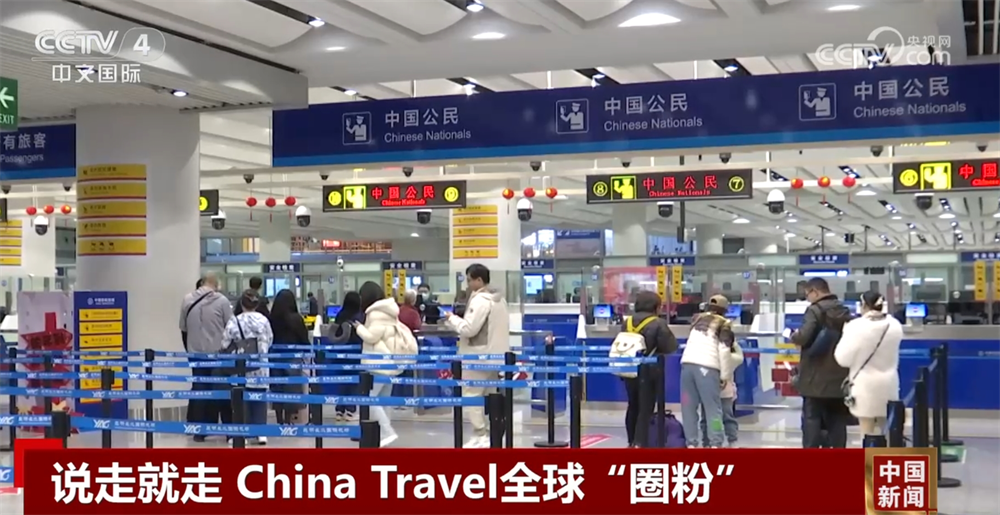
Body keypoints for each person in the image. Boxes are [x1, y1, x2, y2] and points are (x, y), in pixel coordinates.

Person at [444, 264, 510, 448]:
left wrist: (452, 319)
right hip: (496, 357)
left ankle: (480, 434)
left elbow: (469, 329)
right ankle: (492, 435)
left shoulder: (481, 300)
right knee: (490, 396)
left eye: (469, 280)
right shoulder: (500, 300)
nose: (468, 284)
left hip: (477, 356)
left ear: (479, 280)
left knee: (471, 396)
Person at [790, 277, 852, 448]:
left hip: (814, 378)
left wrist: (794, 336)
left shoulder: (814, 310)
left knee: (812, 420)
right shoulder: (843, 310)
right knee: (837, 422)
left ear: (815, 292)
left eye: (807, 294)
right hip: (839, 376)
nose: (808, 298)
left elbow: (803, 337)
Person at [354, 282, 418, 447]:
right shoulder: (390, 311)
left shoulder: (375, 313)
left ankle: (387, 431)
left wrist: (359, 328)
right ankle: (383, 435)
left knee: (370, 399)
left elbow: (371, 337)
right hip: (389, 363)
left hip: (377, 363)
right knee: (383, 401)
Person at [835, 291, 902, 440]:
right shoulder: (895, 325)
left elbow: (842, 359)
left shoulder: (855, 327)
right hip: (889, 383)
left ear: (863, 305)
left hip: (865, 386)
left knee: (866, 431)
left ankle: (869, 455)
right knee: (889, 429)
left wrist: (845, 333)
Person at [178, 272, 233, 441]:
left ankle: (199, 431)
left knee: (199, 389)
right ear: (216, 284)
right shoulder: (222, 301)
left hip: (195, 354)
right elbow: (231, 328)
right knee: (222, 390)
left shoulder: (187, 299)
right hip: (218, 354)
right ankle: (230, 431)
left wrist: (190, 349)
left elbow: (183, 328)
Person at [620, 291, 678, 448]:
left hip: (629, 369)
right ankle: (640, 443)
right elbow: (670, 347)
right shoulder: (658, 323)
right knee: (646, 408)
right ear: (656, 306)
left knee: (633, 405)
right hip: (650, 372)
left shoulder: (627, 322)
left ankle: (631, 441)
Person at [680, 295, 737, 448]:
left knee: (688, 407)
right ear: (725, 309)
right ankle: (715, 443)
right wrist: (724, 376)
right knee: (713, 409)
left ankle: (691, 444)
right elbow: (724, 350)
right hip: (707, 367)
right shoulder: (724, 324)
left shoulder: (697, 319)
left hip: (687, 365)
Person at [222, 289, 274, 445]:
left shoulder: (234, 321)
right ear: (257, 304)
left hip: (240, 368)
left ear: (241, 303)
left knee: (241, 400)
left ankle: (241, 434)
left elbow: (225, 343)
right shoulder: (264, 320)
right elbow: (270, 339)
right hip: (260, 366)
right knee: (260, 399)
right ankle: (261, 433)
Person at [268, 289, 308, 425]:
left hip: (274, 357)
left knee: (277, 388)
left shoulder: (271, 319)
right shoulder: (297, 319)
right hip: (293, 358)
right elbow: (304, 339)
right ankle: (288, 419)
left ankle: (279, 419)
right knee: (292, 389)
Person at [701, 337, 744, 447]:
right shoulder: (731, 357)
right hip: (723, 392)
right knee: (726, 417)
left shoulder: (707, 357)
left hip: (710, 392)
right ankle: (731, 440)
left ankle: (709, 442)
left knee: (710, 418)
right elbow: (739, 356)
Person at [328, 291, 362, 422]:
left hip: (340, 355)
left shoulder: (340, 315)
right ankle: (350, 410)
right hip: (354, 355)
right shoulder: (358, 317)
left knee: (342, 383)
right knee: (353, 383)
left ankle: (339, 410)